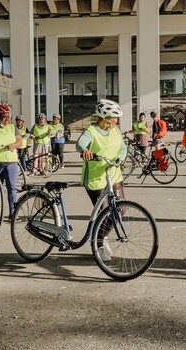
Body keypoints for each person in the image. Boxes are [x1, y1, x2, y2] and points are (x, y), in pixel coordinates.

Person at [76, 99, 127, 262]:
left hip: (114, 174)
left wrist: (121, 157)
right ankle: (98, 245)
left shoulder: (116, 130)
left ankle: (102, 237)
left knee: (121, 210)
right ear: (105, 117)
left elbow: (123, 147)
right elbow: (80, 144)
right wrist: (85, 150)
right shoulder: (91, 131)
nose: (116, 121)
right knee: (106, 213)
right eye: (114, 117)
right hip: (96, 178)